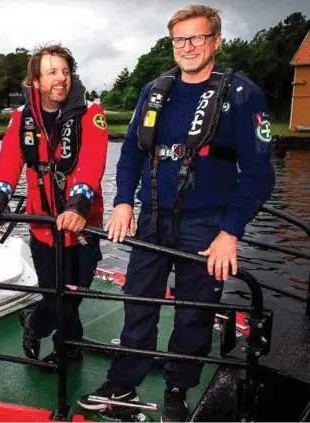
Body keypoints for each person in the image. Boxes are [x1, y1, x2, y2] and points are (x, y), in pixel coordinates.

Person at [77, 5, 275, 422]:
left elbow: (258, 175)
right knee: (138, 301)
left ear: (216, 41)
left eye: (197, 38)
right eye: (179, 40)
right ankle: (124, 382)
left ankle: (178, 389)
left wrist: (230, 232)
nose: (188, 47)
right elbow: (130, 154)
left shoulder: (242, 94)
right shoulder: (155, 89)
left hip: (206, 226)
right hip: (151, 218)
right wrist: (124, 203)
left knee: (194, 312)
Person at [0, 43, 108, 366]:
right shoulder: (21, 118)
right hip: (44, 229)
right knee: (56, 297)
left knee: (73, 296)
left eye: (65, 71)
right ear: (35, 81)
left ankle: (33, 324)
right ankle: (68, 349)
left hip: (84, 227)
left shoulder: (91, 114)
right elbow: (7, 165)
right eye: (52, 72)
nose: (61, 78)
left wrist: (77, 207)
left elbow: (91, 166)